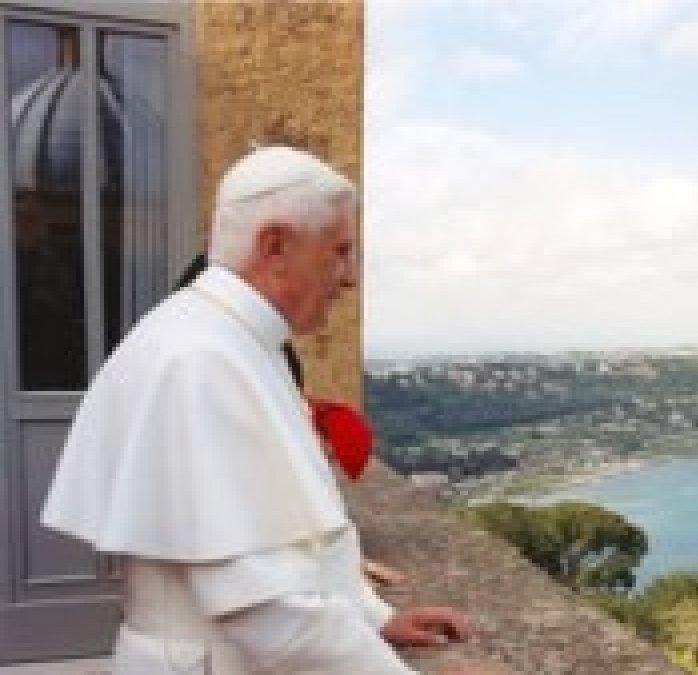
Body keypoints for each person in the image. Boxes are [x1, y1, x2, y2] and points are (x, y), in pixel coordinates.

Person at [42, 146, 474, 674]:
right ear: (275, 246)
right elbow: (272, 614)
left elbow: (294, 544)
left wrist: (375, 620)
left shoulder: (229, 339)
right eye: (339, 251)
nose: (350, 277)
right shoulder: (202, 359)